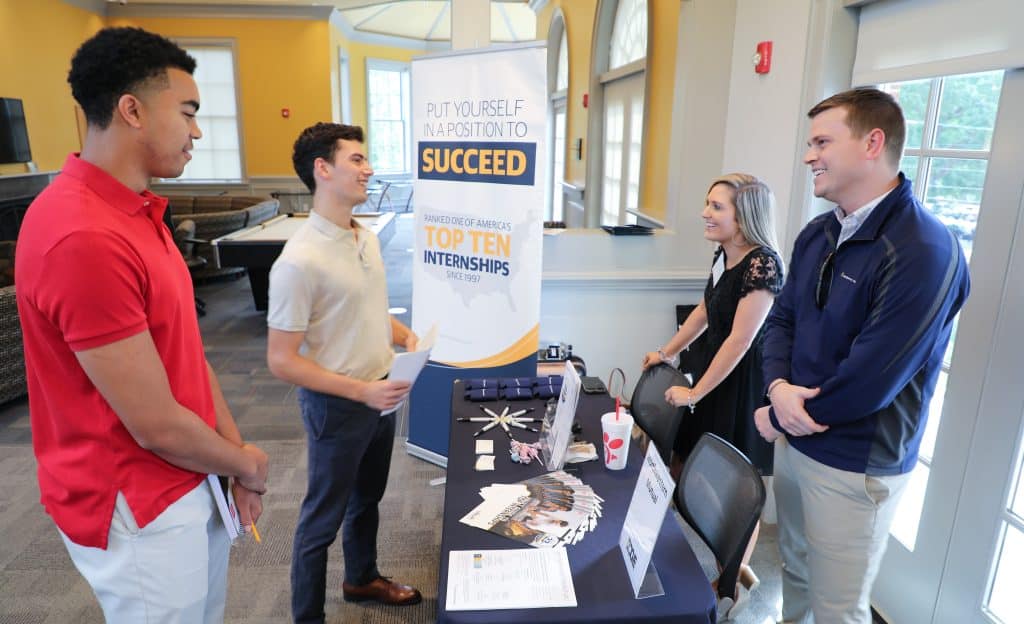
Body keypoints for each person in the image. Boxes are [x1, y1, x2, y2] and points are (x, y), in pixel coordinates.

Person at [15, 27, 268, 623]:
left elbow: (187, 355)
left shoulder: (136, 210)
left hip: (190, 473)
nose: (197, 131)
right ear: (131, 110)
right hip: (137, 501)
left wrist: (232, 458)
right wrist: (244, 463)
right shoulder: (82, 234)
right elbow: (152, 423)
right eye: (187, 112)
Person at [756, 87, 970, 624]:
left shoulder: (925, 248)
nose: (809, 156)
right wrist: (778, 391)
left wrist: (785, 414)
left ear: (873, 143)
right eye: (811, 143)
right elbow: (780, 321)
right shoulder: (817, 233)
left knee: (837, 610)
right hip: (796, 441)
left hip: (855, 465)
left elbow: (872, 378)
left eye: (822, 141)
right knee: (796, 575)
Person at [266, 122, 421, 623]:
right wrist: (361, 393)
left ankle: (361, 578)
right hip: (338, 404)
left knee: (368, 498)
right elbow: (282, 360)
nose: (369, 168)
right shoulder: (298, 261)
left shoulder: (364, 238)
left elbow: (369, 308)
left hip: (381, 392)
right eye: (356, 159)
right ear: (323, 169)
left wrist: (404, 335)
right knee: (320, 521)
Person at [642, 173, 783, 605]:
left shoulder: (764, 263)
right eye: (708, 203)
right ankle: (726, 562)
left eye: (717, 206)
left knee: (734, 484)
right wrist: (667, 353)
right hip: (708, 374)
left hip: (738, 385)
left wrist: (696, 393)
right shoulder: (723, 255)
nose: (705, 212)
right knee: (683, 466)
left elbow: (741, 340)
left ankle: (727, 586)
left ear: (745, 218)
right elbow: (705, 309)